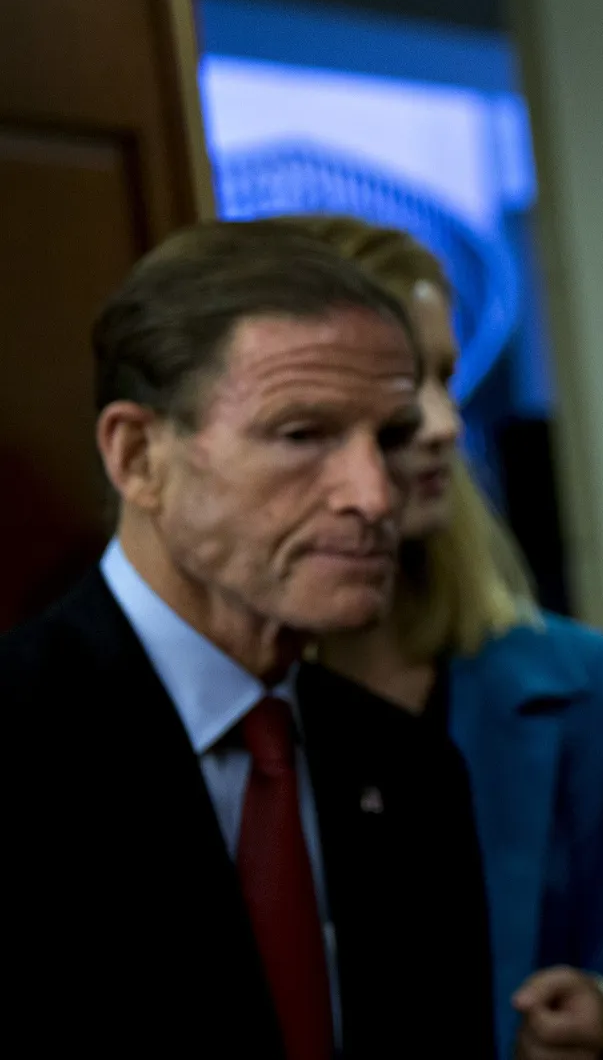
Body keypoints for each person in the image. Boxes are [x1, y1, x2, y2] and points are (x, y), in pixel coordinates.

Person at [0, 220, 494, 1060]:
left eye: (391, 437)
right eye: (303, 435)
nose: (374, 495)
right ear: (138, 455)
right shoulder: (23, 735)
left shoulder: (412, 772)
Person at [289, 216, 603, 1060]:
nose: (441, 420)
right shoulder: (230, 707)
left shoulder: (574, 683)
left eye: (445, 375)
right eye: (403, 385)